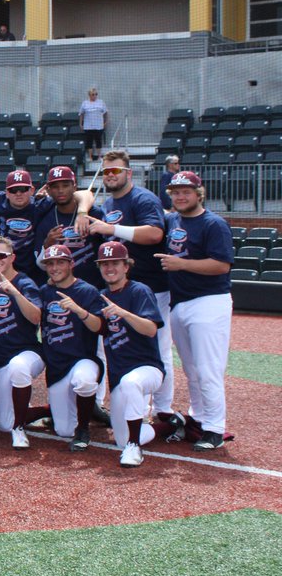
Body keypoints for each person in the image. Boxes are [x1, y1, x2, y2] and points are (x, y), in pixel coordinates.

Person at [79, 149, 178, 429]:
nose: (110, 175)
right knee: (110, 343)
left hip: (151, 286)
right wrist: (85, 211)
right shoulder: (109, 201)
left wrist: (112, 230)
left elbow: (154, 233)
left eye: (116, 171)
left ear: (128, 173)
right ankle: (113, 404)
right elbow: (83, 196)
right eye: (106, 171)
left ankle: (162, 409)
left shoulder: (144, 198)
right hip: (118, 287)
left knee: (157, 347)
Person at [157, 170, 234, 452]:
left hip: (209, 301)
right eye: (175, 192)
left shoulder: (214, 223)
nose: (180, 196)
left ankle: (215, 428)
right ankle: (200, 418)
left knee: (208, 369)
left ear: (198, 193)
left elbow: (222, 264)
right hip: (181, 302)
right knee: (191, 369)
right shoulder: (172, 220)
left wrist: (182, 264)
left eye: (186, 191)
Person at [95, 241, 165, 468]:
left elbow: (151, 329)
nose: (109, 268)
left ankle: (135, 447)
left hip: (147, 369)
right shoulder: (102, 295)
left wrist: (123, 313)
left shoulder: (139, 290)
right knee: (119, 439)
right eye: (104, 264)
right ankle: (171, 425)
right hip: (118, 377)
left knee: (131, 383)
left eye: (115, 263)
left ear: (126, 266)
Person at [0, 236, 44, 449]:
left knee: (18, 367)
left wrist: (14, 292)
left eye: (1, 256)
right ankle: (48, 410)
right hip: (2, 361)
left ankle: (20, 429)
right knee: (4, 423)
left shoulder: (24, 283)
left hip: (29, 354)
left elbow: (36, 317)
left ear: (12, 257)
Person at [37, 244, 105, 451]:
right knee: (64, 430)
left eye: (60, 262)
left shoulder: (87, 291)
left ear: (71, 264)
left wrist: (79, 310)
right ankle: (75, 410)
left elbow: (100, 327)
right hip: (57, 366)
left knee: (84, 382)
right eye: (50, 264)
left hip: (81, 359)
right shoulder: (45, 291)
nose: (55, 268)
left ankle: (84, 428)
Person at [79, 86, 109, 162]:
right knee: (89, 142)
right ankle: (90, 157)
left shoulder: (101, 102)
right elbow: (81, 114)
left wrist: (106, 122)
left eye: (96, 94)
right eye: (93, 94)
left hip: (98, 126)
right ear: (89, 95)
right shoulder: (85, 103)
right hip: (88, 126)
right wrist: (81, 124)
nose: (94, 96)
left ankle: (99, 157)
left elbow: (105, 113)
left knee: (98, 141)